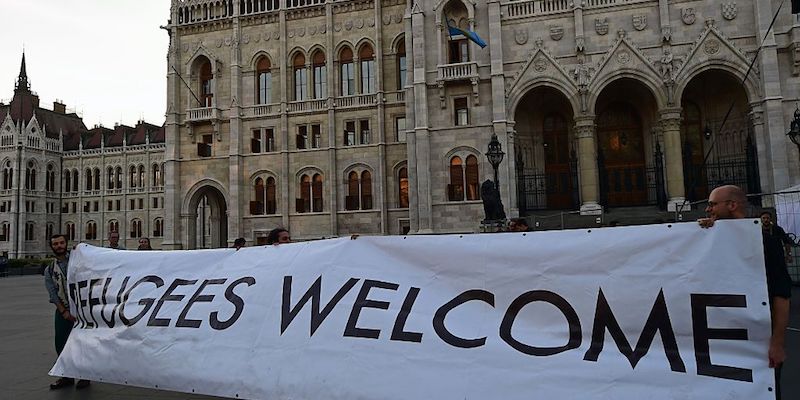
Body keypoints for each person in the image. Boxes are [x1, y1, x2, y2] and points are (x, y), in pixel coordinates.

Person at [698, 185, 791, 399]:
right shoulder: (709, 239)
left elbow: (782, 294)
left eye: (712, 204)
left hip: (756, 341)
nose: (707, 209)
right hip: (719, 339)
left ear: (732, 205)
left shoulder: (766, 243)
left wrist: (777, 344)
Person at [44, 234, 90, 390]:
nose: (59, 246)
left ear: (66, 243)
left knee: (83, 344)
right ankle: (67, 376)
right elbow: (53, 294)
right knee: (61, 343)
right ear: (52, 246)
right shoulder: (49, 269)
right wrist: (64, 312)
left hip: (81, 310)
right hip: (63, 310)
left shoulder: (78, 263)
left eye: (61, 243)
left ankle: (85, 376)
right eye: (55, 244)